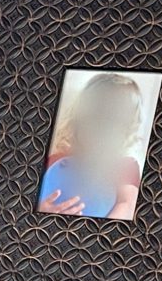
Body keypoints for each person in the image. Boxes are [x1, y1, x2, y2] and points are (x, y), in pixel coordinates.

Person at [37, 71, 147, 221]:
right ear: (78, 121)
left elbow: (127, 204)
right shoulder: (55, 161)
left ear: (127, 132)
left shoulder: (125, 167)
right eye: (95, 119)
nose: (102, 131)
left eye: (114, 123)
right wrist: (42, 209)